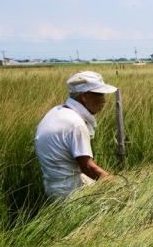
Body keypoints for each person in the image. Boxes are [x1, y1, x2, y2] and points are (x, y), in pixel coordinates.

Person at [34, 71, 117, 199]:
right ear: (85, 96)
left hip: (53, 184)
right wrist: (117, 185)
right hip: (69, 190)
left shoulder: (56, 112)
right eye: (100, 95)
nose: (104, 101)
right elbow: (87, 167)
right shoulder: (76, 124)